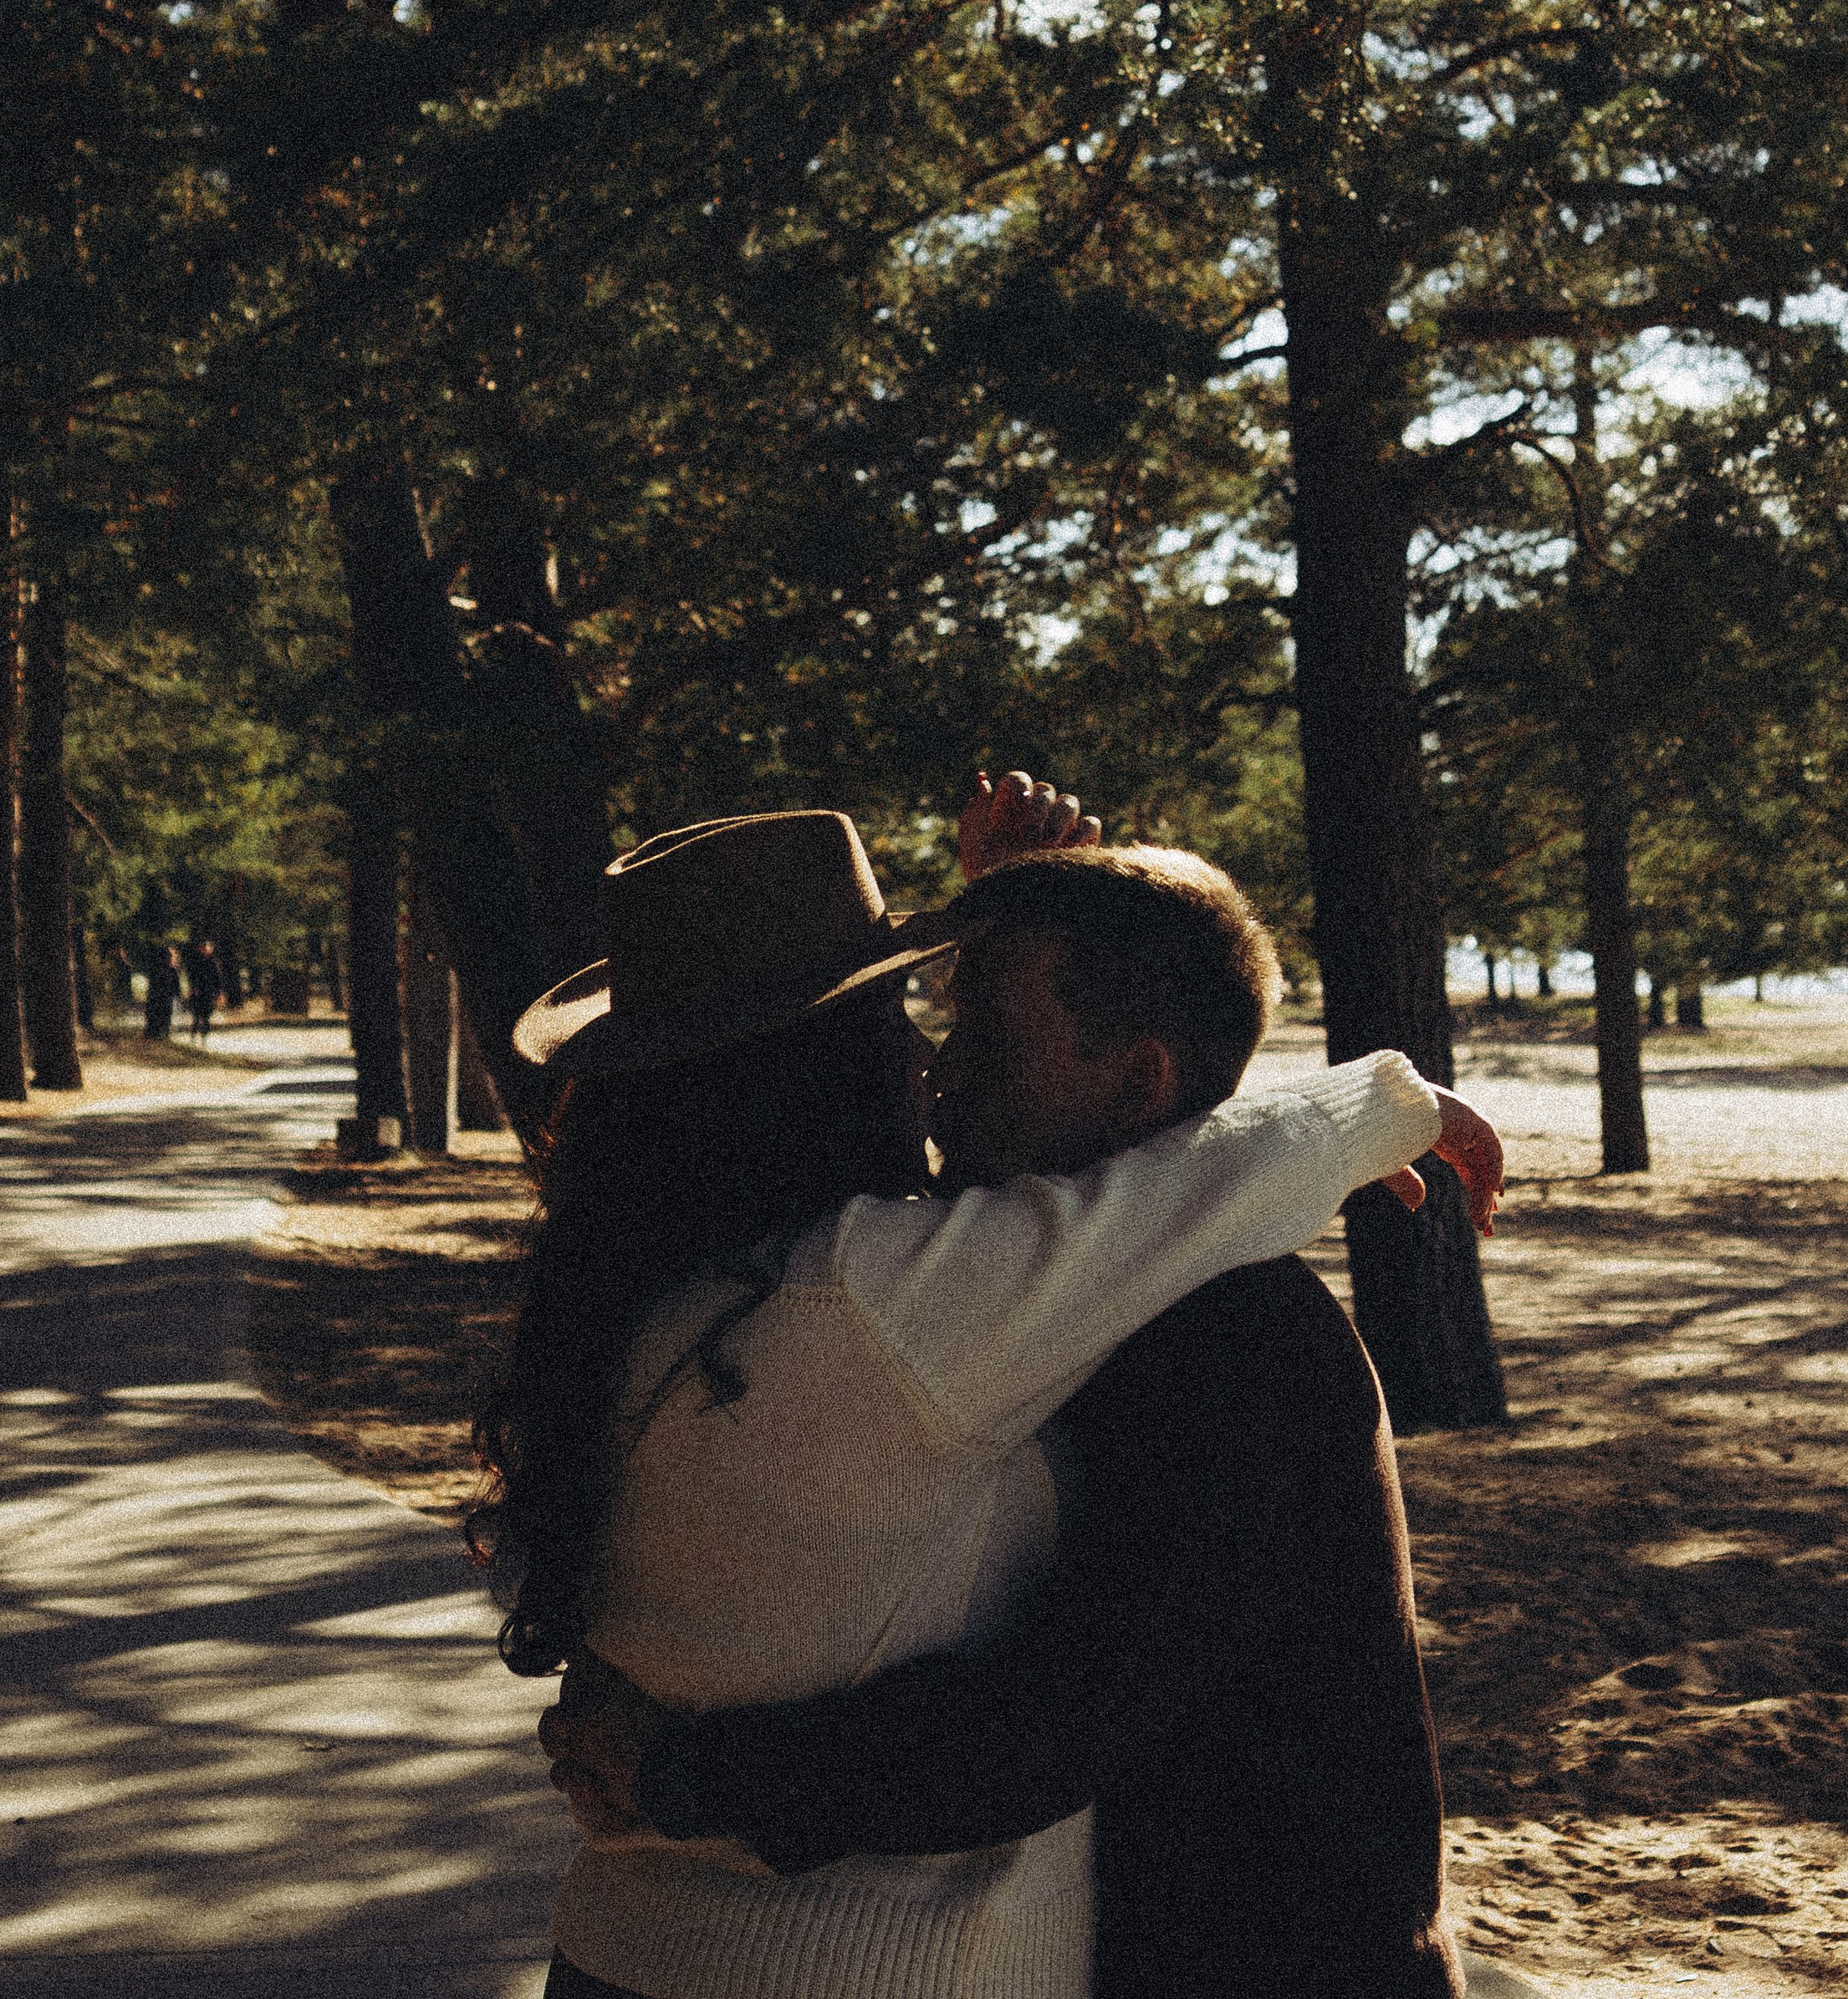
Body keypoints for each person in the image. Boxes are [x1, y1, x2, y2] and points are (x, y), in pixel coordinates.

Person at [473, 788, 1502, 1999]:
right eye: (898, 1020)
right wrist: (1385, 1104)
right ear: (813, 1075)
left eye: (969, 1028)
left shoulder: (643, 1296)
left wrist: (680, 1777)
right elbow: (1034, 1731)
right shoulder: (884, 1298)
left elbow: (1063, 1715)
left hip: (624, 1949)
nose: (930, 1065)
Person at [183, 933, 219, 1041]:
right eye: (205, 947)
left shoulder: (213, 962)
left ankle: (204, 1037)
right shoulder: (196, 962)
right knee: (197, 1016)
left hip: (209, 992)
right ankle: (193, 1036)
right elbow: (192, 976)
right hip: (198, 992)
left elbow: (217, 978)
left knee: (206, 1016)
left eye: (209, 947)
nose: (207, 949)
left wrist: (218, 992)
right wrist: (194, 988)